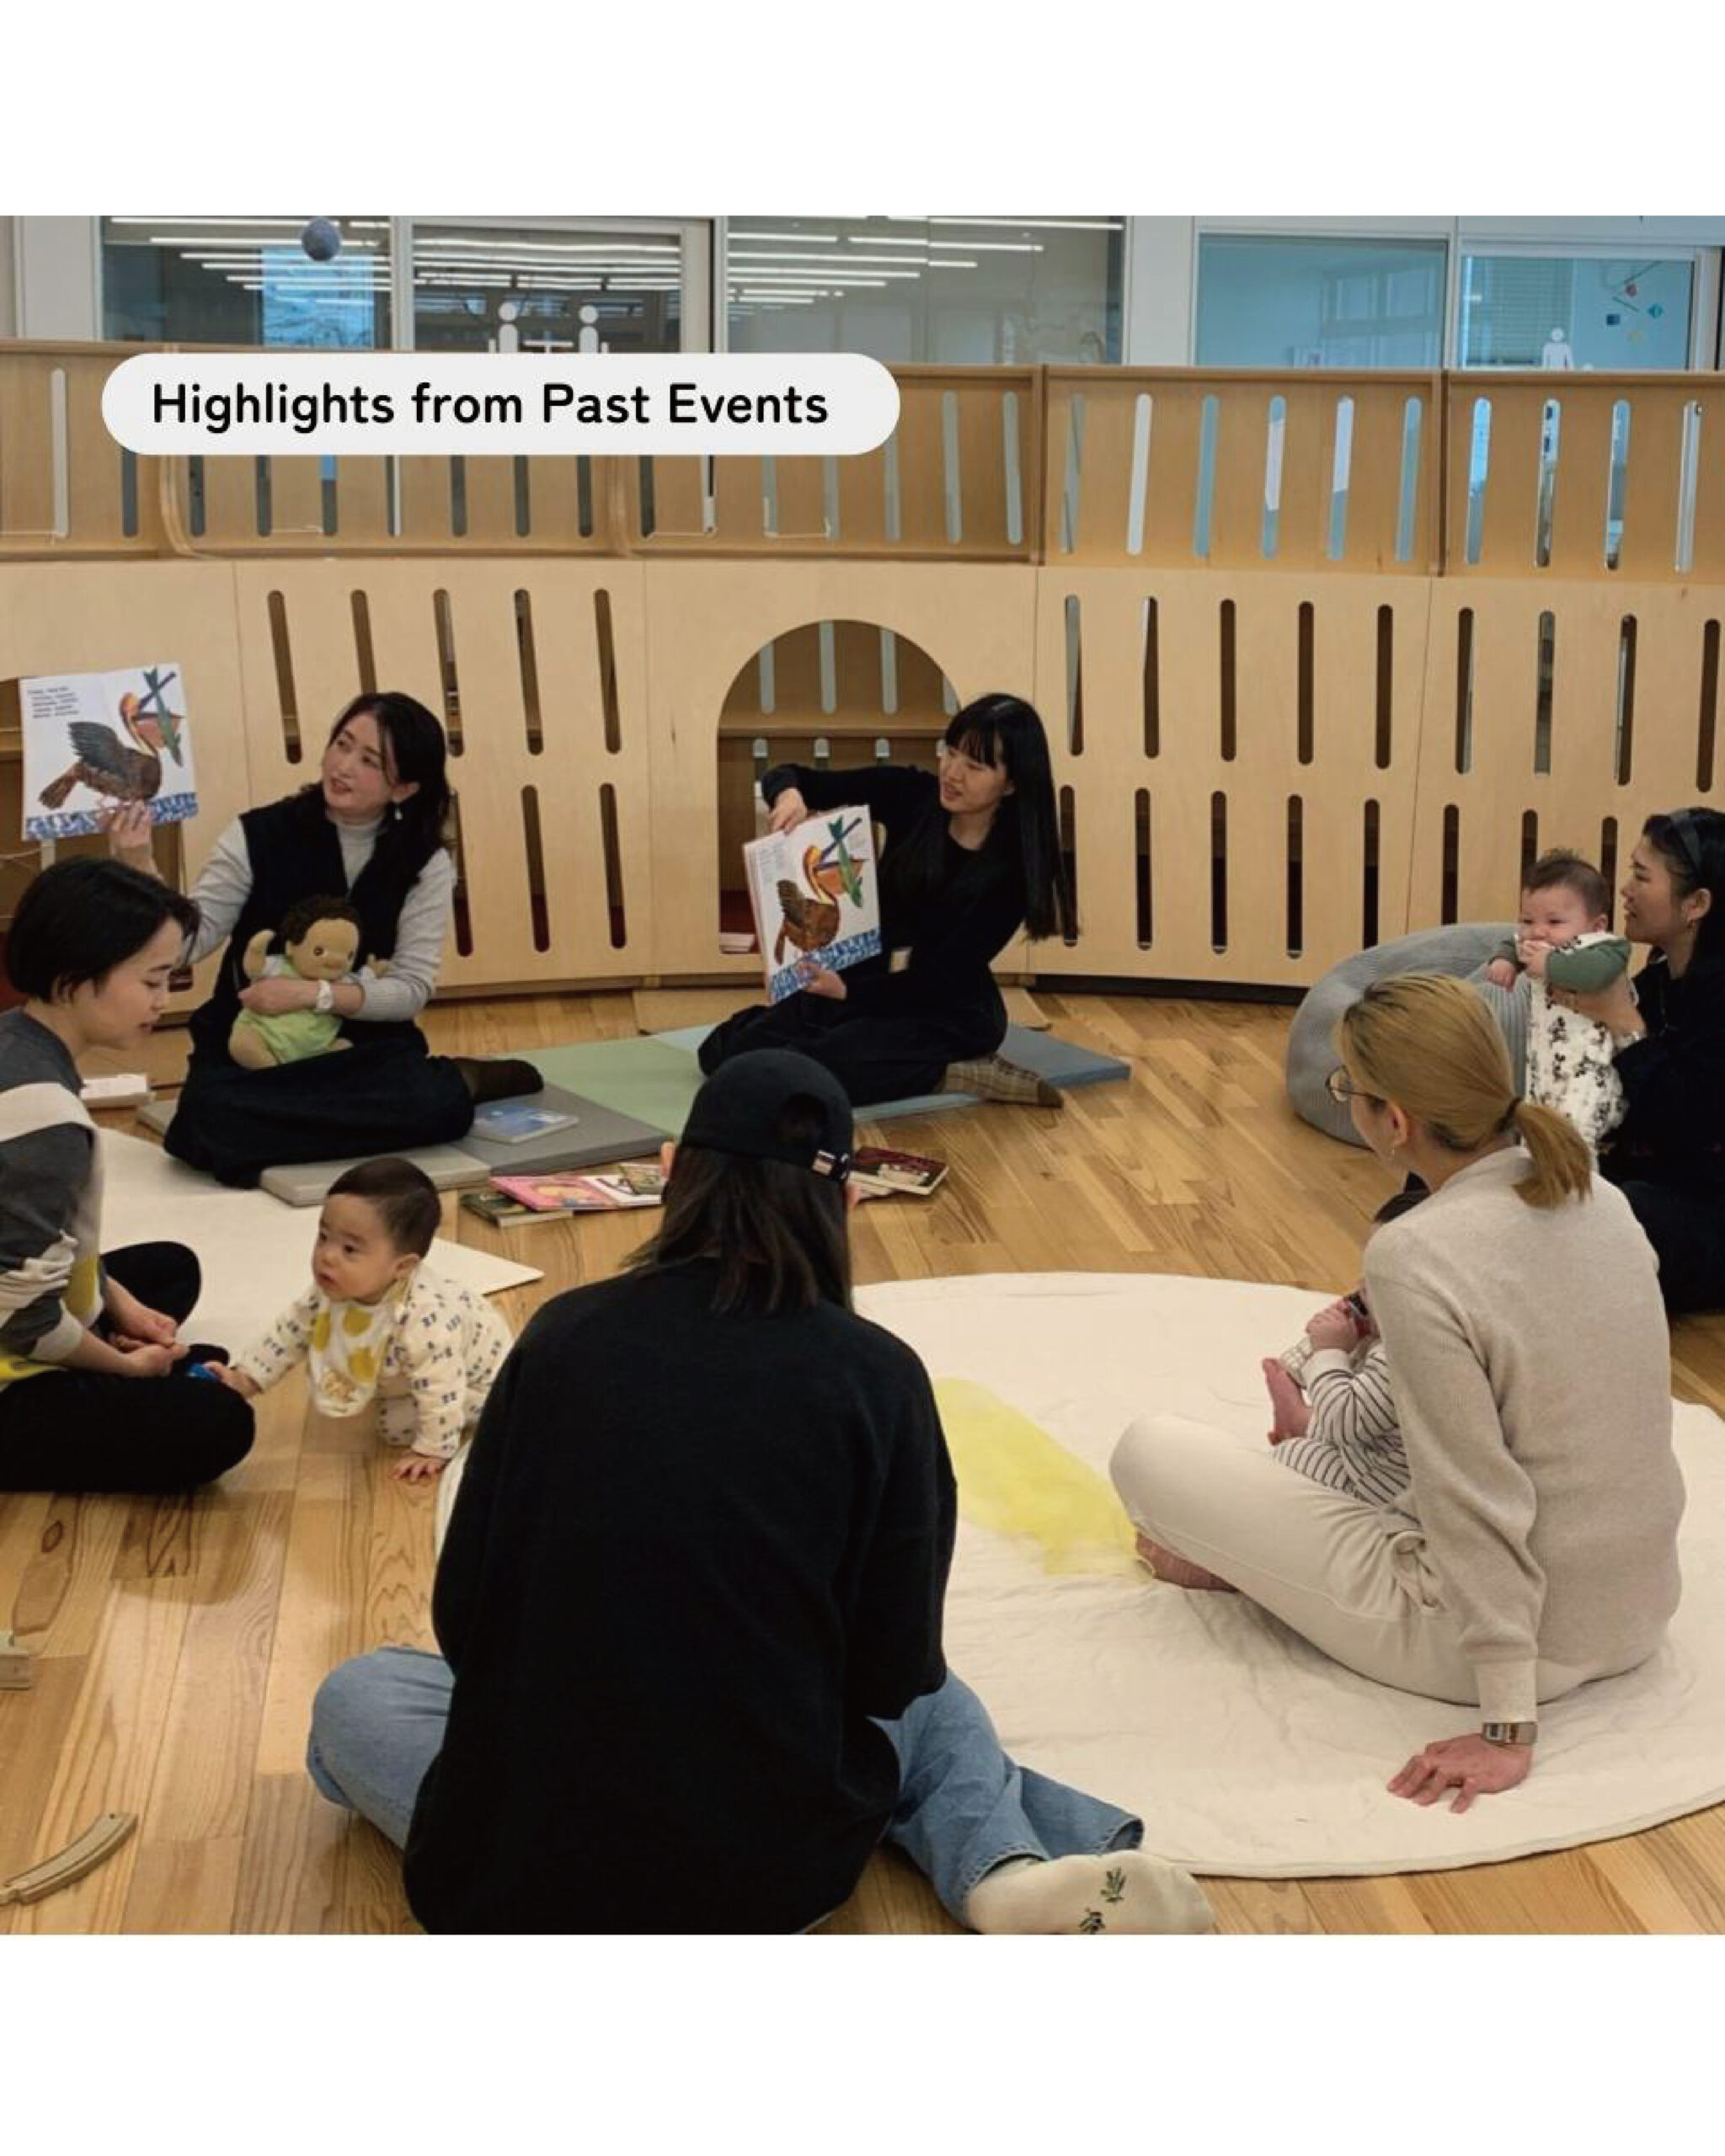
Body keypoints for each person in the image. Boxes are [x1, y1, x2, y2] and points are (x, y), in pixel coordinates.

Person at [308, 1050, 1213, 1935]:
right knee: (935, 1705)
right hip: (764, 1882)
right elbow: (894, 1666)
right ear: (846, 1202)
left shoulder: (559, 1336)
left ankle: (989, 1866)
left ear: (670, 1172)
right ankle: (1001, 1873)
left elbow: (465, 1615)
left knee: (359, 1693)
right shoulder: (879, 1378)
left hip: (512, 1881)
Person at [1112, 974, 1683, 1815]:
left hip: (1512, 1647)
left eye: (1349, 1087)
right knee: (1343, 1460)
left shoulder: (1415, 1253)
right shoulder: (1600, 1198)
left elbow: (1469, 1490)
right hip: (1639, 1609)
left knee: (1149, 1451)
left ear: (1396, 1121)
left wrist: (1505, 1725)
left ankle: (1254, 1567)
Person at [109, 691, 538, 1187]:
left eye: (370, 761)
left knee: (435, 1107)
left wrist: (315, 994)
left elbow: (411, 989)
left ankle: (459, 1080)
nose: (343, 766)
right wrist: (137, 862)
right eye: (342, 744)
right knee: (207, 1120)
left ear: (403, 788)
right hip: (255, 1038)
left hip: (355, 1044)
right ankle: (401, 1101)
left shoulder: (426, 862)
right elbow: (186, 944)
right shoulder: (256, 834)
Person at [0, 858, 255, 1492]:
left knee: (168, 1270)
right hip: (12, 1340)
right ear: (75, 978)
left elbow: (45, 1242)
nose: (162, 1000)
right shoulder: (44, 1123)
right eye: (151, 980)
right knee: (219, 1424)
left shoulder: (15, 1038)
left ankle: (117, 1358)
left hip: (15, 1297)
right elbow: (21, 1319)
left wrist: (118, 1303)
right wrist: (122, 1369)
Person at [697, 693, 1077, 1107]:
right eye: (950, 752)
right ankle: (907, 1063)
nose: (952, 773)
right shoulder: (913, 794)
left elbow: (938, 980)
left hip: (943, 1006)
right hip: (864, 978)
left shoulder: (1011, 872)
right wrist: (789, 795)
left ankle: (950, 1072)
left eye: (974, 766)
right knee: (725, 1051)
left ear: (1012, 782)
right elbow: (790, 775)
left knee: (817, 1066)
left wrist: (848, 992)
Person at [214, 1157, 512, 1483]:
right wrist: (246, 1379)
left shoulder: (423, 1320)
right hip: (429, 1368)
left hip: (479, 1379)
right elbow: (289, 1333)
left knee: (394, 1427)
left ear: (402, 1267)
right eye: (323, 1236)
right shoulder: (332, 1290)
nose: (327, 1255)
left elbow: (442, 1386)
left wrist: (434, 1447)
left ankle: (485, 1407)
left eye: (350, 1249)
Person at [1550, 808, 1725, 1313]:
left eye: (1642, 877)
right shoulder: (1654, 982)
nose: (1624, 890)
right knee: (1503, 1165)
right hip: (1644, 1177)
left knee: (1622, 1216)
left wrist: (1624, 1022)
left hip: (1703, 1207)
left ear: (1696, 904)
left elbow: (1684, 1119)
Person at [1479, 848, 1631, 1150]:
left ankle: (1580, 1173)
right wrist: (1504, 960)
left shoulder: (1605, 949)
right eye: (1527, 919)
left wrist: (1548, 964)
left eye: (1555, 922)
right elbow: (1512, 942)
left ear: (1597, 926)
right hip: (1544, 1063)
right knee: (1539, 1125)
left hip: (1590, 1070)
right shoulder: (1535, 943)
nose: (1538, 932)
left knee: (1577, 1134)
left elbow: (1594, 974)